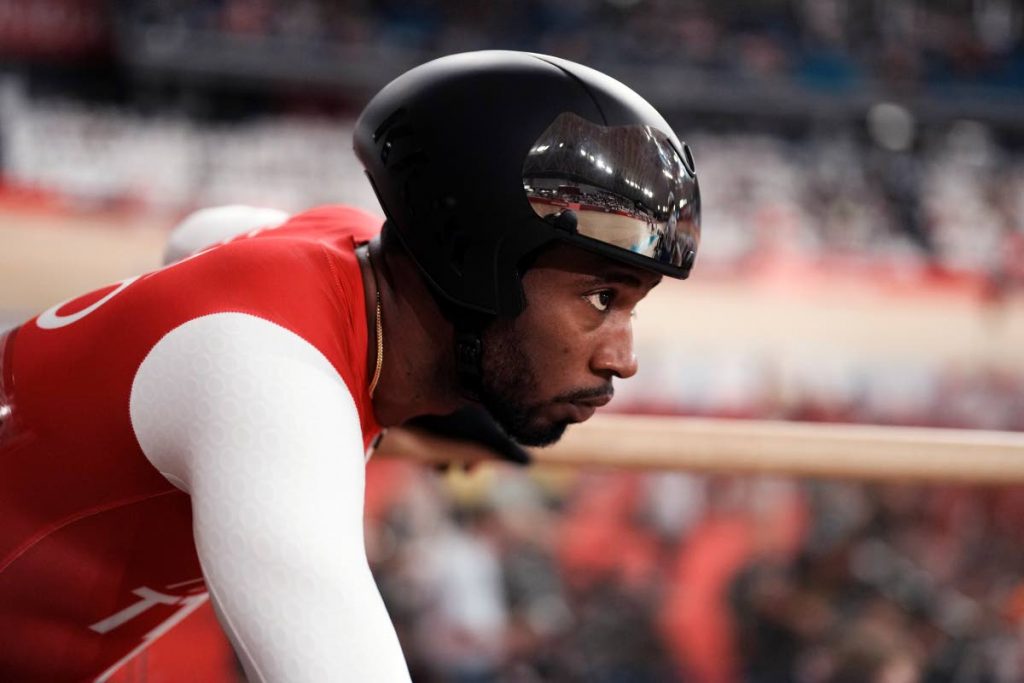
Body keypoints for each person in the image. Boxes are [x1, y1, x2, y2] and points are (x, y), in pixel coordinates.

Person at [0, 50, 700, 681]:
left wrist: (446, 394)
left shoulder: (340, 249)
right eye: (601, 298)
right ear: (469, 266)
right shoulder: (274, 390)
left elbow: (198, 235)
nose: (624, 357)